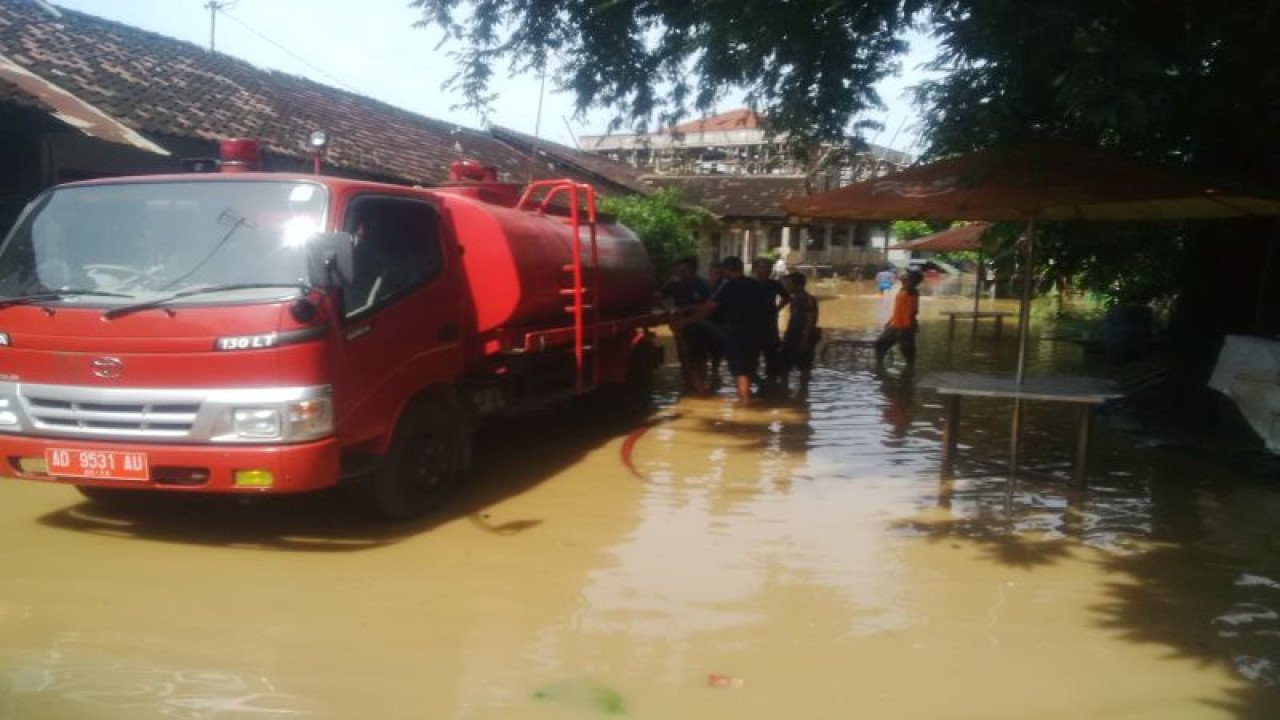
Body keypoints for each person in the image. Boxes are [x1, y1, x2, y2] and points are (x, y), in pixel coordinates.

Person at [674, 256, 761, 404]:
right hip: (756, 332)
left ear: (727, 269)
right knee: (748, 368)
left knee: (739, 372)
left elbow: (708, 308)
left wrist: (685, 322)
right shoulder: (755, 284)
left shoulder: (727, 286)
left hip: (736, 332)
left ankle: (744, 403)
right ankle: (751, 398)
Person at [658, 257, 714, 394]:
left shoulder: (702, 285)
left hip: (700, 326)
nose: (679, 274)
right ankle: (689, 385)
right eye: (677, 271)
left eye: (683, 271)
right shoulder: (672, 284)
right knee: (684, 357)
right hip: (680, 326)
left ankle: (701, 387)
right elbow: (658, 297)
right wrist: (668, 311)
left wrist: (684, 310)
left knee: (699, 358)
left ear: (692, 271)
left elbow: (709, 305)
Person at [751, 257, 790, 386]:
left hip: (770, 326)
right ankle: (757, 384)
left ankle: (771, 385)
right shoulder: (749, 283)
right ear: (755, 268)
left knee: (772, 357)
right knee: (751, 358)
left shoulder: (774, 284)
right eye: (762, 266)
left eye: (768, 267)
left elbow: (787, 297)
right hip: (752, 326)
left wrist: (777, 309)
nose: (766, 269)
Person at [779, 271, 821, 389]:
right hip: (794, 337)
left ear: (798, 285)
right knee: (788, 368)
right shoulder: (796, 298)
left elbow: (810, 319)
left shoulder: (806, 298)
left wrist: (804, 339)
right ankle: (796, 396)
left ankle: (794, 394)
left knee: (799, 369)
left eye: (788, 284)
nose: (786, 287)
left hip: (800, 338)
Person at [875, 269, 923, 367]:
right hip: (895, 325)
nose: (904, 275)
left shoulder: (912, 291)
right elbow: (899, 308)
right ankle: (880, 368)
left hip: (905, 327)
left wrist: (908, 326)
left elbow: (913, 310)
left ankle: (909, 375)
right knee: (880, 344)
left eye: (907, 275)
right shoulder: (904, 289)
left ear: (912, 279)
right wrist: (890, 320)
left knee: (907, 352)